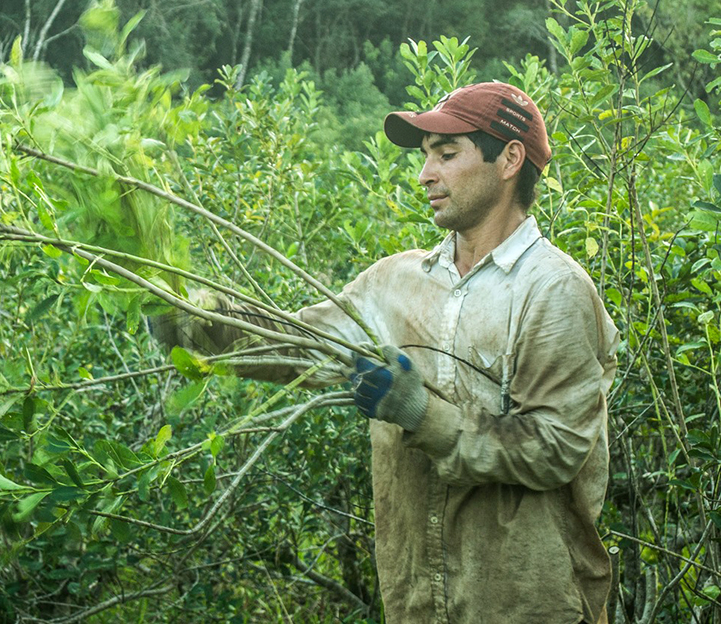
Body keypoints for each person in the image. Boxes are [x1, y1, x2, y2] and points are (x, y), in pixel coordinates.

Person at [152, 82, 618, 623]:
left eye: (447, 154)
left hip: (524, 604)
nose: (425, 175)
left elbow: (555, 448)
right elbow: (297, 348)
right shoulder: (396, 281)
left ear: (510, 158)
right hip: (416, 600)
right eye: (425, 158)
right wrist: (187, 318)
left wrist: (421, 414)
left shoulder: (553, 289)